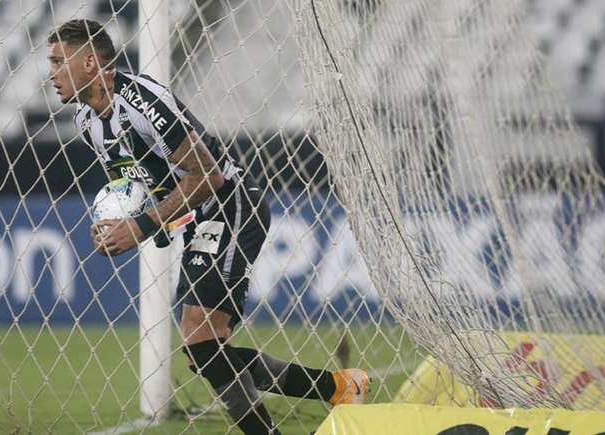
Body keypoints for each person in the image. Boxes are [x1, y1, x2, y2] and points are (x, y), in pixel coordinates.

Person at [47, 19, 369, 434]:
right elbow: (131, 184)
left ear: (89, 62)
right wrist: (113, 222)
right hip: (196, 219)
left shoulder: (143, 102)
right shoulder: (88, 122)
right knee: (206, 351)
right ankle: (340, 387)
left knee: (200, 338)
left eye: (57, 62)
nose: (51, 74)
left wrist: (141, 227)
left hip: (232, 205)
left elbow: (209, 176)